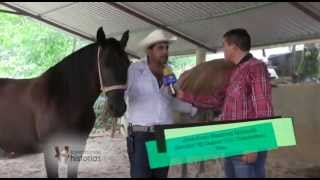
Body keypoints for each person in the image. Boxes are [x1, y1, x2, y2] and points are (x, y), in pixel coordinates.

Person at [178, 28, 274, 178]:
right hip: (232, 139)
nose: (223, 50)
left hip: (246, 141)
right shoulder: (236, 71)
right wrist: (186, 96)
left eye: (225, 45)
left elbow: (263, 108)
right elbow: (218, 102)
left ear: (234, 47)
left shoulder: (256, 67)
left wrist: (253, 145)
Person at [125, 29, 198, 178]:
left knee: (160, 176)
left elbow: (170, 101)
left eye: (166, 48)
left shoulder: (169, 72)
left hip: (162, 136)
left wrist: (193, 109)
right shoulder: (135, 69)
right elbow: (123, 96)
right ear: (149, 51)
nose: (165, 52)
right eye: (160, 48)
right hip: (141, 136)